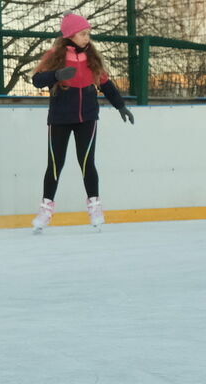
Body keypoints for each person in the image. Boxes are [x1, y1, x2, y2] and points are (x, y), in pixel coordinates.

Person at [29, 13, 134, 232]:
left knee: (87, 163)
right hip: (60, 117)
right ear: (70, 35)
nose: (87, 37)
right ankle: (45, 210)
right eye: (83, 34)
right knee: (55, 165)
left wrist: (120, 106)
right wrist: (57, 75)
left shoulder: (92, 58)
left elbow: (106, 84)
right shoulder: (55, 55)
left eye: (88, 33)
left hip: (87, 117)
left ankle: (95, 207)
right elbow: (37, 80)